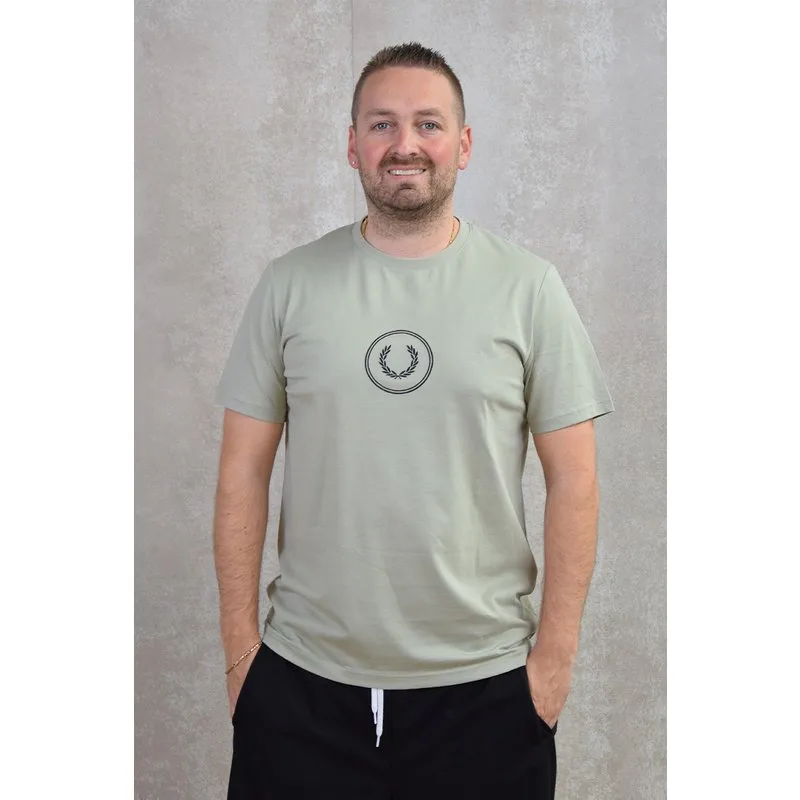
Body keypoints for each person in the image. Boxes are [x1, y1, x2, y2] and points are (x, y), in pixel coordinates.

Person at [213, 41, 614, 800]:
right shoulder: (288, 285)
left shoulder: (530, 288)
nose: (405, 144)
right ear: (352, 144)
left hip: (487, 690)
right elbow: (241, 472)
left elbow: (577, 481)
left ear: (463, 144)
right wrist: (241, 656)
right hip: (301, 686)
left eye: (429, 124)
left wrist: (553, 664)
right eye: (382, 124)